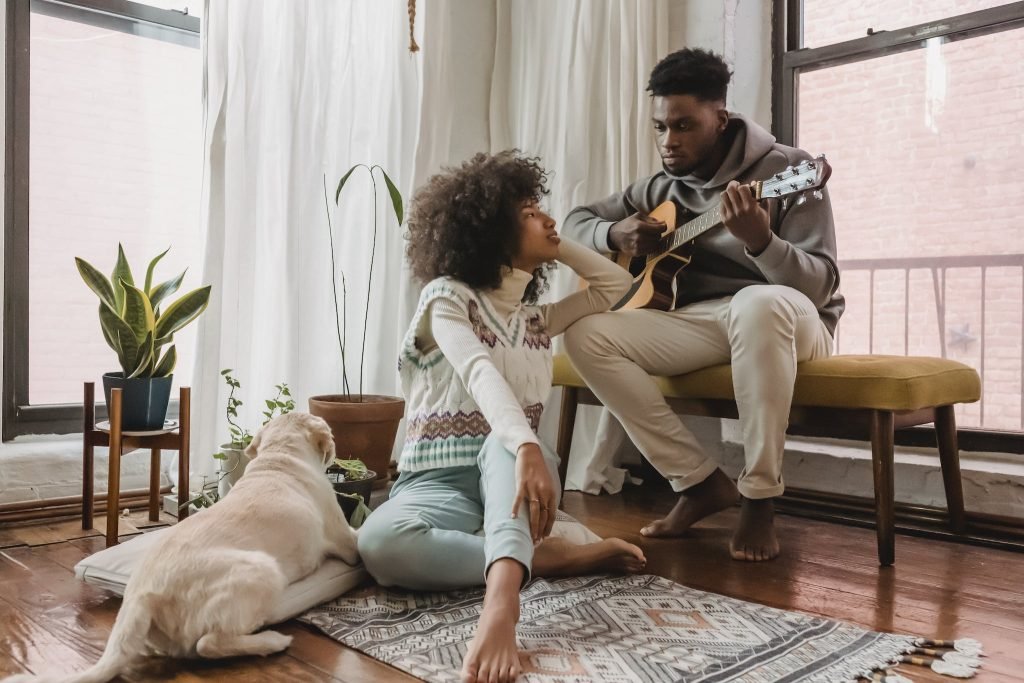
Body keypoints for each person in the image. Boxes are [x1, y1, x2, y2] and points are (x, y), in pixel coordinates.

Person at [357, 150, 647, 683]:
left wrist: (561, 250)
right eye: (531, 212)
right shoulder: (446, 298)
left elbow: (616, 288)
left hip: (514, 479)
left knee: (503, 443)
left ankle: (501, 605)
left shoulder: (538, 318)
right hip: (435, 486)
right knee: (378, 545)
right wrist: (531, 446)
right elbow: (476, 371)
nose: (549, 220)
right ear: (491, 228)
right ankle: (545, 559)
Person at [562, 48, 844, 562]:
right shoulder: (659, 188)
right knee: (585, 333)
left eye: (684, 126)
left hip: (791, 321)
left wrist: (763, 241)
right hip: (704, 324)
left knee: (758, 305)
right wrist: (613, 232)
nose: (669, 142)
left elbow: (820, 286)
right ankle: (697, 482)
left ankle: (759, 496)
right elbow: (573, 222)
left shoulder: (790, 170)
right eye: (661, 127)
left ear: (721, 117)